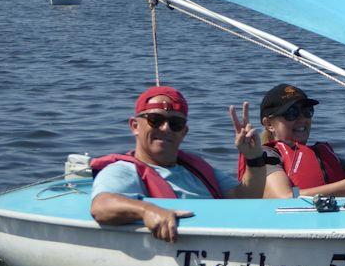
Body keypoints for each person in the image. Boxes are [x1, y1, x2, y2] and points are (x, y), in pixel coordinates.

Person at [90, 85, 266, 242]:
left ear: (184, 132)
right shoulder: (123, 171)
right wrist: (147, 211)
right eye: (155, 120)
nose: (165, 128)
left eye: (176, 123)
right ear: (135, 126)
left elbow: (246, 198)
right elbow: (101, 206)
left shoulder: (198, 169)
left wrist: (254, 157)